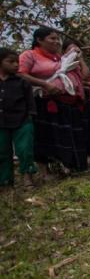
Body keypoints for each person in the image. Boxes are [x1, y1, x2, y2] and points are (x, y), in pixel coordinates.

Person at [18, 27, 90, 176]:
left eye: (58, 39)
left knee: (66, 137)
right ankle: (45, 173)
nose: (56, 41)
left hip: (67, 104)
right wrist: (44, 84)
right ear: (39, 40)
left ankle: (68, 168)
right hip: (44, 104)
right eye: (52, 38)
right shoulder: (29, 55)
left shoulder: (61, 59)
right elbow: (20, 74)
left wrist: (79, 58)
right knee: (45, 137)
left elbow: (84, 76)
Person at [0, 48, 37, 186]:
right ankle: (5, 180)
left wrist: (30, 118)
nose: (16, 65)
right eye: (11, 62)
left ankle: (27, 176)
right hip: (1, 122)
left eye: (17, 62)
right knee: (2, 151)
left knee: (25, 149)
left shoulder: (22, 82)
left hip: (22, 121)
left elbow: (30, 102)